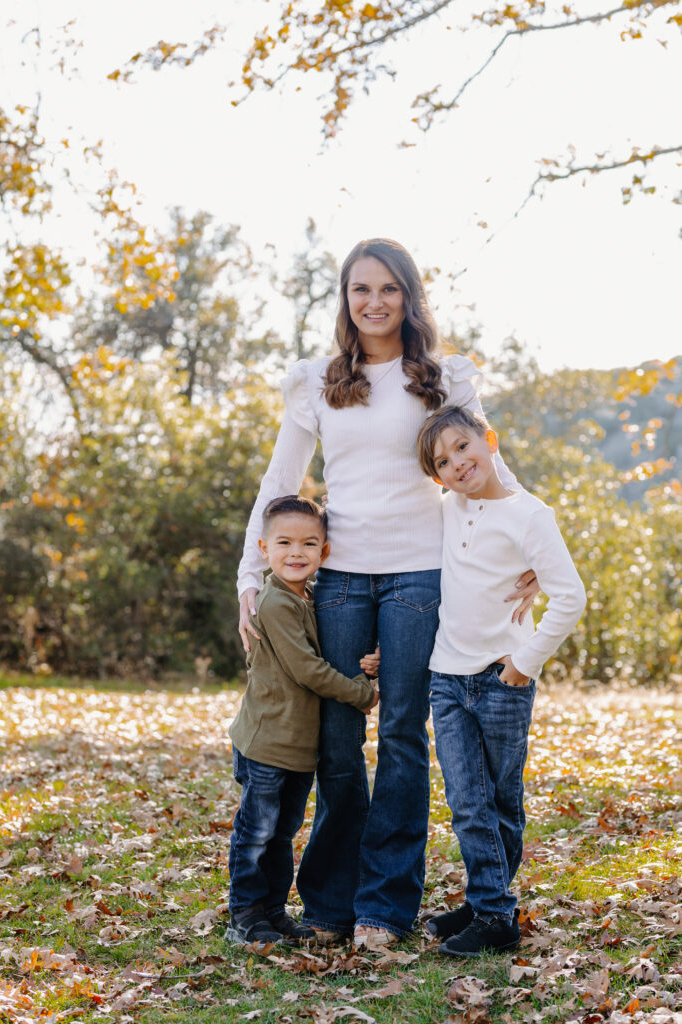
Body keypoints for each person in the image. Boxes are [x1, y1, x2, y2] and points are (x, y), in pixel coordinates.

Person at [237, 238, 537, 946]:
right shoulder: (317, 383)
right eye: (359, 289)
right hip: (339, 577)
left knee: (402, 734)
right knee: (338, 739)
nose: (373, 302)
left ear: (409, 296)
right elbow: (281, 483)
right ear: (344, 299)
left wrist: (529, 545)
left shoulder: (440, 377)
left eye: (387, 289)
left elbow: (487, 462)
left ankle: (384, 906)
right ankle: (332, 903)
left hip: (420, 574)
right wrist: (249, 573)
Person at [416, 405, 586, 956]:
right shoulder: (444, 509)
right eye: (443, 460)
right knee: (468, 801)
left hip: (502, 679)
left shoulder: (531, 515)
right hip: (447, 676)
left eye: (464, 447)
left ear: (489, 441)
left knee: (502, 801)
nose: (457, 463)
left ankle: (491, 907)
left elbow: (571, 597)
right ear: (437, 475)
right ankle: (491, 908)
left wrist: (524, 663)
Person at [228, 495, 379, 948]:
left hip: (295, 745)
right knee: (257, 833)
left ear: (324, 553)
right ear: (264, 549)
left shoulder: (306, 598)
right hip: (267, 742)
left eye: (309, 544)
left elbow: (324, 652)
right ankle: (244, 915)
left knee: (281, 834)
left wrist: (363, 664)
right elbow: (307, 668)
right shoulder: (274, 602)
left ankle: (273, 912)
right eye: (285, 543)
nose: (297, 552)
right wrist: (360, 693)